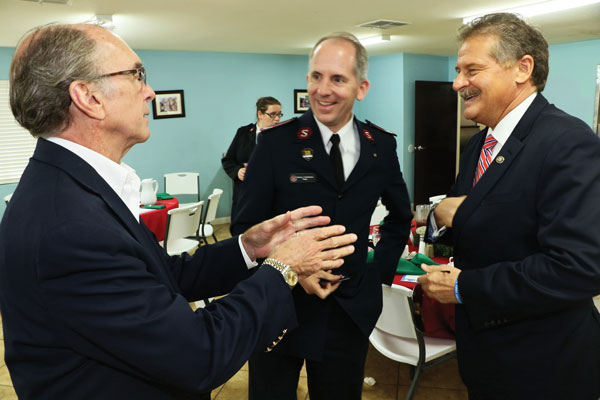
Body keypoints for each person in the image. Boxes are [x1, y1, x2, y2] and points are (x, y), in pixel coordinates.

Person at [0, 23, 359, 399]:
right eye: (137, 75)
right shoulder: (70, 225)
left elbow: (164, 276)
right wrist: (283, 267)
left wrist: (249, 249)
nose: (150, 92)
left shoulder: (81, 191)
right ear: (88, 98)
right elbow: (200, 355)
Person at [418, 13, 600, 400]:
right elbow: (464, 215)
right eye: (457, 71)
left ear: (523, 68)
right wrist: (438, 218)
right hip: (486, 354)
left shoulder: (567, 143)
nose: (457, 83)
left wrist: (464, 286)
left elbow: (579, 269)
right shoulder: (478, 146)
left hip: (544, 365)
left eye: (472, 70)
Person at [232, 32, 413, 399]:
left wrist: (377, 274)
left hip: (347, 310)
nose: (323, 90)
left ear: (361, 88)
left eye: (337, 79)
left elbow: (400, 214)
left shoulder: (381, 145)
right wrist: (295, 272)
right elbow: (245, 227)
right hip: (280, 306)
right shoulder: (276, 142)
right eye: (316, 76)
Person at [221, 97, 282, 223]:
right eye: (272, 114)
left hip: (271, 197)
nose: (277, 118)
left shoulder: (283, 135)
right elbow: (228, 160)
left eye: (279, 114)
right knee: (243, 234)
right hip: (245, 195)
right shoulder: (243, 132)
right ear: (260, 114)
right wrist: (237, 172)